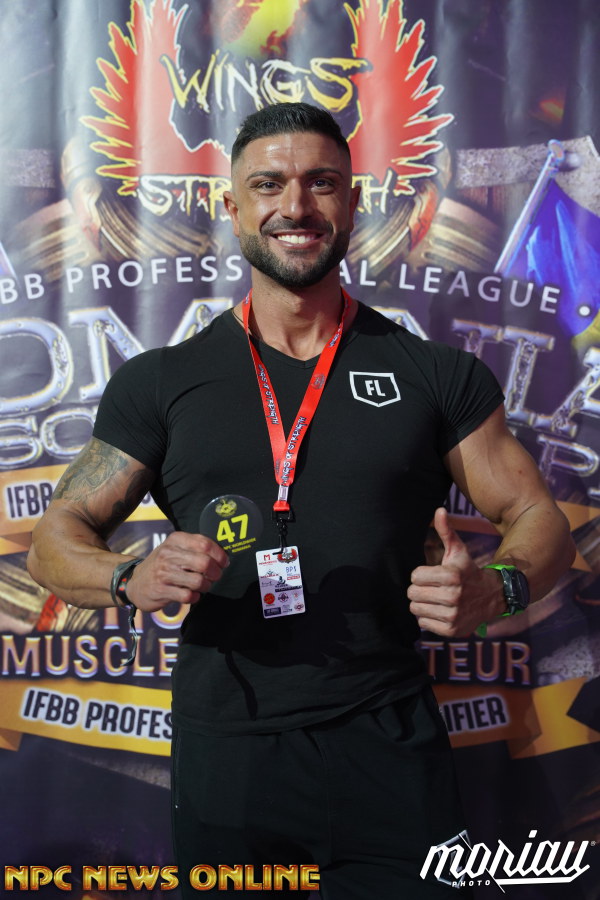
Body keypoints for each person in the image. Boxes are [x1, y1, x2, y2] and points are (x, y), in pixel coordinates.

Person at [27, 102, 575, 898]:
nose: (296, 205)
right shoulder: (162, 383)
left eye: (321, 183)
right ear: (232, 206)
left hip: (391, 746)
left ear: (353, 203)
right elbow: (56, 537)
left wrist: (499, 587)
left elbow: (537, 517)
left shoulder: (434, 374)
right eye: (268, 184)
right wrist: (127, 577)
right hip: (231, 756)